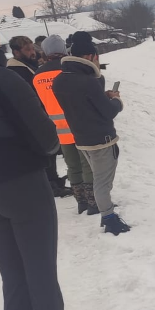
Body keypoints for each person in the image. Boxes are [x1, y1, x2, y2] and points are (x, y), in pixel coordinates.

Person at [0, 13, 90, 310]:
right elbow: (47, 138)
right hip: (23, 186)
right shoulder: (5, 79)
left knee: (13, 279)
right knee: (40, 274)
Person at [52, 32, 130, 235]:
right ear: (89, 56)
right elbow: (108, 111)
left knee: (98, 178)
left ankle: (106, 210)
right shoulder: (88, 81)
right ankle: (109, 219)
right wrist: (116, 100)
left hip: (81, 139)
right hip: (102, 140)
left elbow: (82, 103)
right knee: (102, 182)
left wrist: (102, 95)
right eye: (96, 56)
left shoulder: (60, 80)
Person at [34, 35, 96, 215]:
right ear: (64, 49)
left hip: (59, 129)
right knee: (87, 165)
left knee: (72, 166)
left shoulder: (37, 76)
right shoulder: (69, 70)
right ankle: (93, 202)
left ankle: (81, 201)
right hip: (79, 125)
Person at [8, 35, 69, 197]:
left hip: (42, 113)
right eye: (27, 49)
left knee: (51, 150)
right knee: (45, 151)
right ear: (16, 52)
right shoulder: (16, 71)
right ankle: (51, 184)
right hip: (31, 117)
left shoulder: (28, 66)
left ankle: (54, 180)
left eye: (32, 48)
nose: (32, 52)